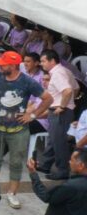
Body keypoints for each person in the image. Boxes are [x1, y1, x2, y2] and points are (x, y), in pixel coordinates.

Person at [0, 50, 51, 209]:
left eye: (3, 64)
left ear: (13, 65)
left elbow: (48, 99)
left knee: (15, 164)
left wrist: (32, 115)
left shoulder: (27, 82)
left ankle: (12, 194)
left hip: (18, 131)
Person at [38, 50, 78, 180]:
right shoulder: (65, 71)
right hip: (59, 110)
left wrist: (63, 105)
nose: (41, 63)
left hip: (60, 111)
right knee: (52, 139)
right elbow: (76, 88)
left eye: (44, 61)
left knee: (59, 141)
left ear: (52, 61)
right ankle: (45, 164)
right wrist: (70, 102)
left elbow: (67, 91)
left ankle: (62, 170)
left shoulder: (58, 73)